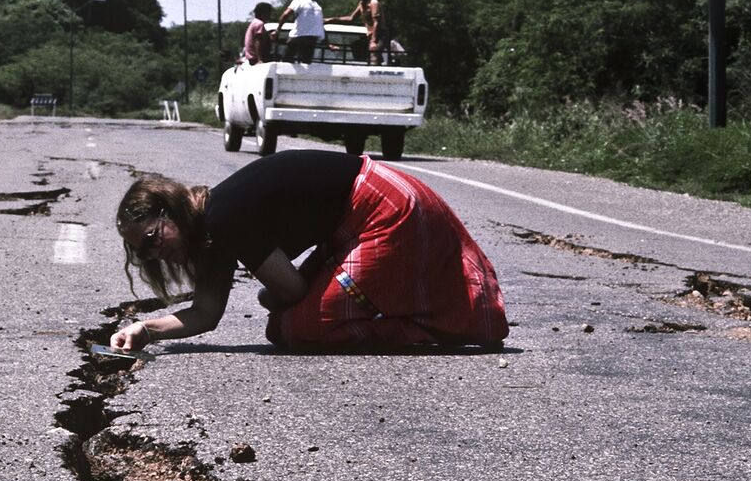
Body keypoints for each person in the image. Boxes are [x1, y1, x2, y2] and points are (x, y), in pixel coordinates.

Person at [110, 150, 509, 352]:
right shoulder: (212, 227)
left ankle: (432, 328)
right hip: (361, 215)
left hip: (386, 208)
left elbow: (292, 291)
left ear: (170, 209)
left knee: (295, 327)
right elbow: (205, 314)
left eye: (152, 238)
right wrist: (145, 330)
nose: (154, 253)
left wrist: (271, 294)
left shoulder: (224, 217)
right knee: (290, 320)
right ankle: (427, 315)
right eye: (144, 253)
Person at [325, 0, 389, 65]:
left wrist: (373, 41)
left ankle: (374, 74)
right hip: (370, 35)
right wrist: (332, 19)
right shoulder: (361, 4)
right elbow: (351, 18)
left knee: (373, 52)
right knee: (357, 47)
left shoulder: (373, 3)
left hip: (380, 35)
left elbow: (376, 22)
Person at [272, 0, 324, 64]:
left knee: (287, 59)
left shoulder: (298, 0)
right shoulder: (316, 5)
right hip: (313, 37)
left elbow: (285, 14)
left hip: (299, 36)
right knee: (306, 62)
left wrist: (277, 30)